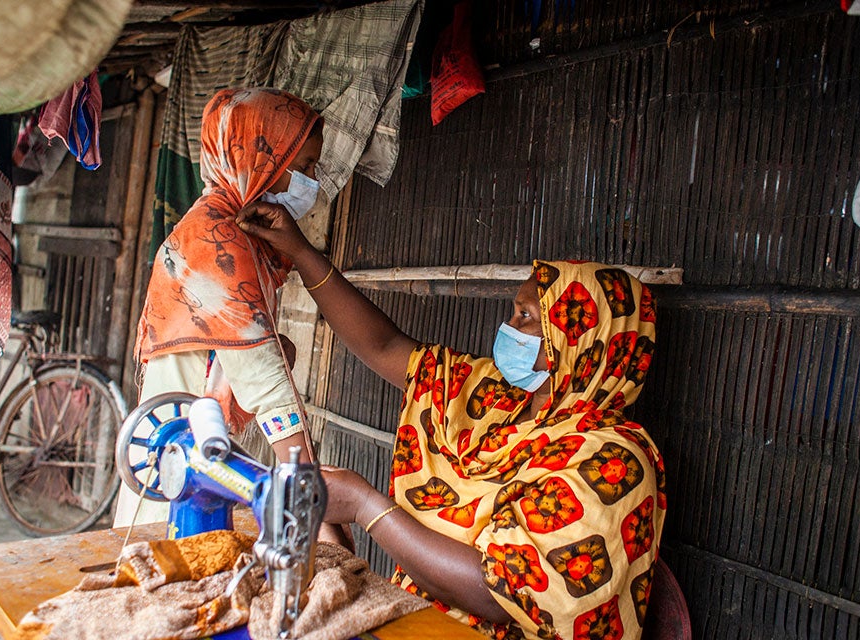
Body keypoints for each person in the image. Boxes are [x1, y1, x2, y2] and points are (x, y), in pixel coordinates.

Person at [236, 205, 667, 639]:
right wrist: (300, 251)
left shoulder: (614, 463)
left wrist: (367, 507)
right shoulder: (495, 399)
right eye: (513, 312)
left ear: (578, 344)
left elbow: (496, 593)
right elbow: (384, 346)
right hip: (409, 619)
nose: (508, 327)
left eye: (526, 318)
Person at [114, 87, 325, 527]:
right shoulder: (216, 241)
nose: (311, 182)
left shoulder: (232, 229)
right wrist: (316, 507)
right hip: (176, 474)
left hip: (189, 448)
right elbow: (268, 387)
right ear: (259, 159)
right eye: (302, 167)